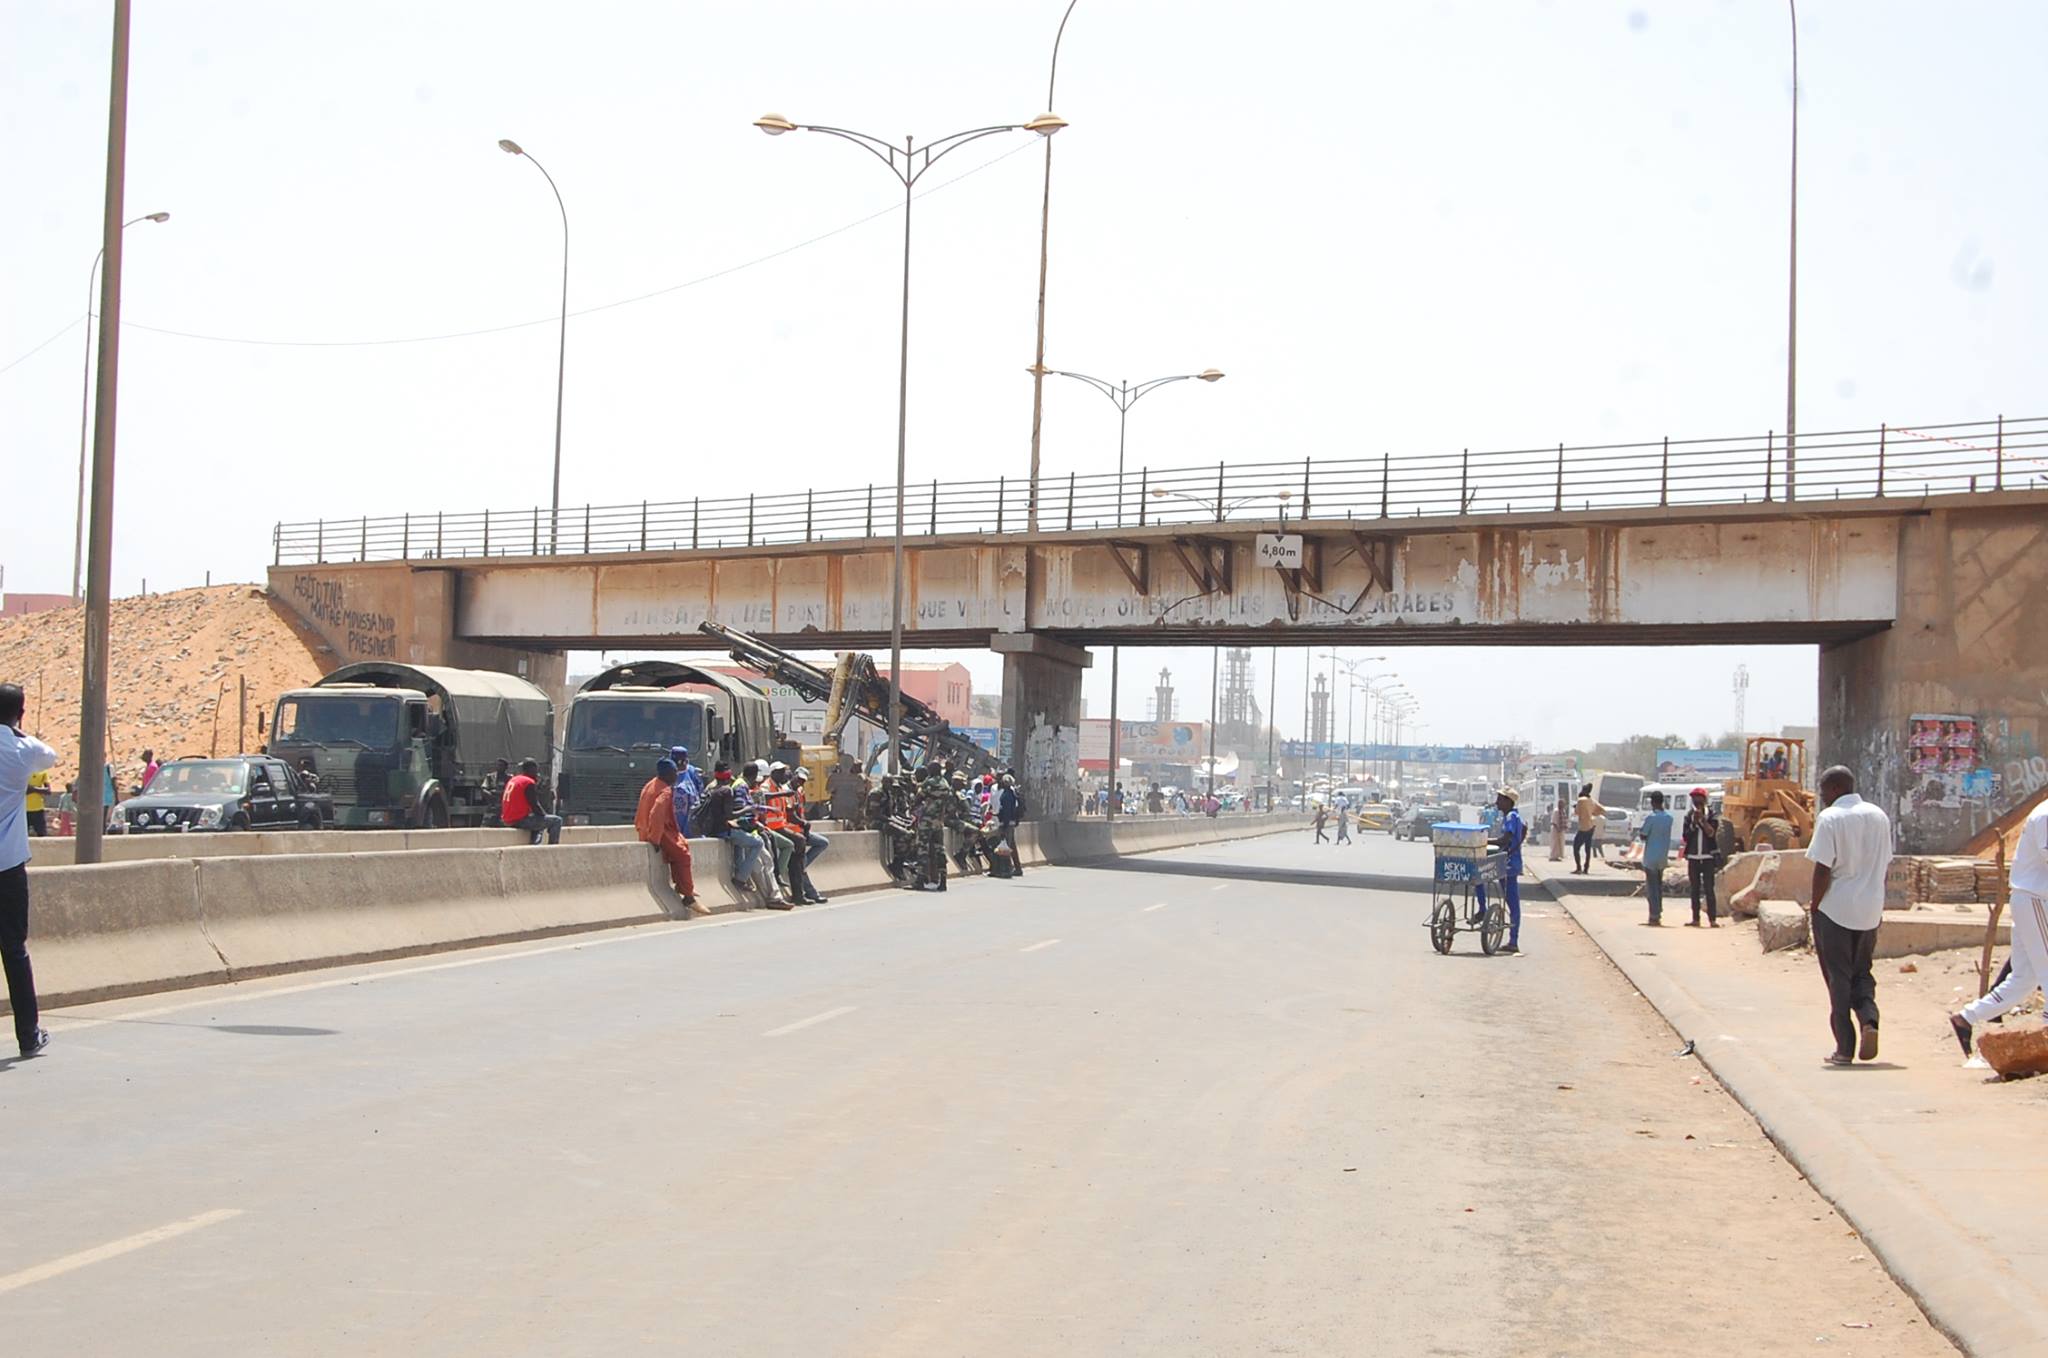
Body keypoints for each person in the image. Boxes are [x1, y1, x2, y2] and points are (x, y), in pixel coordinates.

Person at [1805, 765, 1892, 1066]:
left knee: (1838, 976)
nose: (1821, 797)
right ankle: (1869, 1019)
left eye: (1823, 791)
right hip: (1870, 908)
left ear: (1834, 789)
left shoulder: (1830, 818)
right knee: (1862, 971)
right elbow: (1885, 864)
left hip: (1836, 909)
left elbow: (1822, 868)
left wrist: (1814, 905)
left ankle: (1844, 1047)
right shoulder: (1878, 815)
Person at [1951, 796, 2048, 1056]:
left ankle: (1966, 1018)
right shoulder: (2045, 815)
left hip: (2032, 899)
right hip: (2036, 898)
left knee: (2023, 979)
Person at [1, 683, 57, 1058]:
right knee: (14, 951)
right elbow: (49, 755)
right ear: (19, 714)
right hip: (8, 866)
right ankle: (27, 1034)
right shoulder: (21, 751)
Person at [697, 761, 789, 907]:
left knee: (748, 848)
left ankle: (748, 881)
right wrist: (749, 810)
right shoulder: (728, 790)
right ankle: (741, 879)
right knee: (759, 846)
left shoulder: (712, 788)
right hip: (723, 830)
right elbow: (731, 814)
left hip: (716, 829)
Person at [635, 757, 699, 911]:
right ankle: (688, 896)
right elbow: (656, 814)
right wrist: (655, 839)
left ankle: (682, 886)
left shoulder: (651, 784)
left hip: (645, 828)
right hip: (657, 831)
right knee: (682, 854)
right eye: (674, 773)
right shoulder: (665, 791)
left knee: (683, 843)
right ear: (668, 774)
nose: (677, 776)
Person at [1473, 789, 1527, 954]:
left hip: (1509, 863)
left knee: (1511, 900)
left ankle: (1513, 940)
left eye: (1500, 799)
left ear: (1508, 801)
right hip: (1507, 860)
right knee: (1479, 877)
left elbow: (1506, 839)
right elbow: (1524, 830)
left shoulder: (1511, 817)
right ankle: (1483, 910)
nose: (1497, 803)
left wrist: (1484, 840)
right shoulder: (1512, 816)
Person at [1681, 787, 1722, 927]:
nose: (1696, 801)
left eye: (1699, 798)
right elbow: (1686, 836)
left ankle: (1712, 919)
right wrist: (1693, 823)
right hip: (1693, 857)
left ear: (1704, 800)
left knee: (1709, 889)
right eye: (1694, 798)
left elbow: (1711, 833)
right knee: (1694, 889)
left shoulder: (1712, 815)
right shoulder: (1689, 816)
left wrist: (1703, 821)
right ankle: (1695, 919)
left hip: (1708, 857)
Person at [500, 757, 562, 845]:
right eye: (536, 769)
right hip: (519, 820)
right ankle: (552, 848)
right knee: (556, 820)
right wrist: (544, 817)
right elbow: (535, 805)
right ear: (532, 769)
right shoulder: (528, 782)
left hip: (507, 819)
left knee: (537, 821)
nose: (537, 772)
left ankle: (535, 843)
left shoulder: (514, 779)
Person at [1635, 790, 1674, 925]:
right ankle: (1658, 910)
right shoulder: (1669, 818)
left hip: (1651, 857)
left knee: (1651, 887)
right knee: (1658, 885)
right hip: (1662, 856)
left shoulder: (1651, 818)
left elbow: (1643, 835)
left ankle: (1654, 914)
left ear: (1652, 802)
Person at [481, 758, 511, 827]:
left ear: (506, 767)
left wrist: (500, 793)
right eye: (498, 765)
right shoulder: (490, 777)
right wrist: (490, 795)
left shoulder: (509, 778)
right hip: (492, 807)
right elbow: (484, 788)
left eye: (501, 765)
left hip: (504, 807)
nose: (499, 767)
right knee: (486, 826)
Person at [25, 768, 49, 838]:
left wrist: (32, 789)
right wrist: (38, 789)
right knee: (21, 837)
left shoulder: (42, 772)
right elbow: (20, 789)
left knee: (42, 837)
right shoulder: (22, 771)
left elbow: (48, 790)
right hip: (24, 810)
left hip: (38, 809)